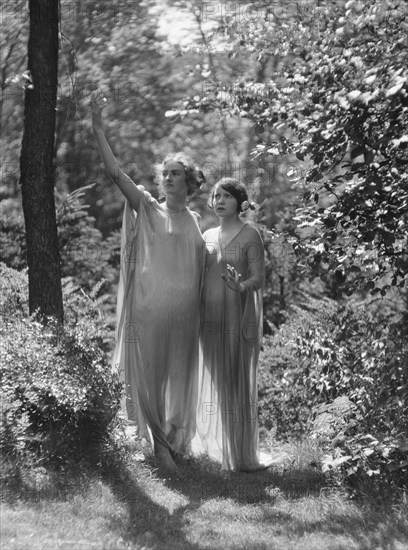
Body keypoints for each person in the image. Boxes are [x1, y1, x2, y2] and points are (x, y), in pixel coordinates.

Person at [91, 99, 205, 474]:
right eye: (166, 173)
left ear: (189, 182)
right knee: (151, 374)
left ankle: (173, 440)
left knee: (178, 377)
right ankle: (159, 448)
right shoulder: (148, 207)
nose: (168, 178)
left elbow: (205, 265)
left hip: (185, 313)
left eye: (176, 174)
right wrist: (97, 125)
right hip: (150, 308)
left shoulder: (194, 222)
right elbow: (114, 171)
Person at [193, 178, 265, 471]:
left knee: (234, 382)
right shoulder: (206, 235)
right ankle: (220, 449)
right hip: (207, 317)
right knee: (218, 381)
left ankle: (239, 455)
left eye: (226, 196)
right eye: (216, 196)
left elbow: (259, 278)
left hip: (238, 315)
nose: (219, 200)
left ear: (240, 203)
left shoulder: (251, 235)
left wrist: (241, 286)